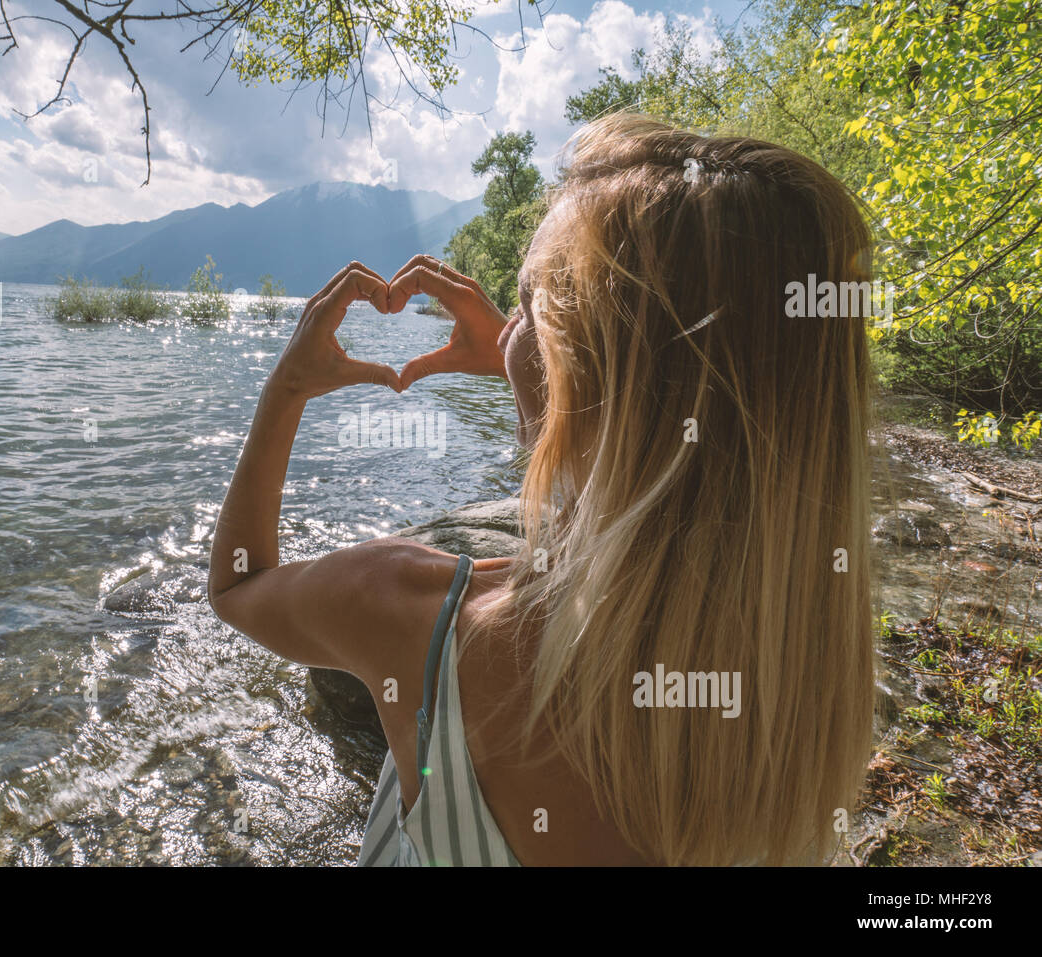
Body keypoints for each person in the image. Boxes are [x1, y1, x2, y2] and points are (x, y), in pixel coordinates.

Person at [208, 113, 876, 866]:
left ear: (580, 361)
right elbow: (692, 433)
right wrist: (535, 371)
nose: (502, 332)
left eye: (527, 305)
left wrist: (287, 385)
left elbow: (239, 585)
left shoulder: (415, 618)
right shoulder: (807, 666)